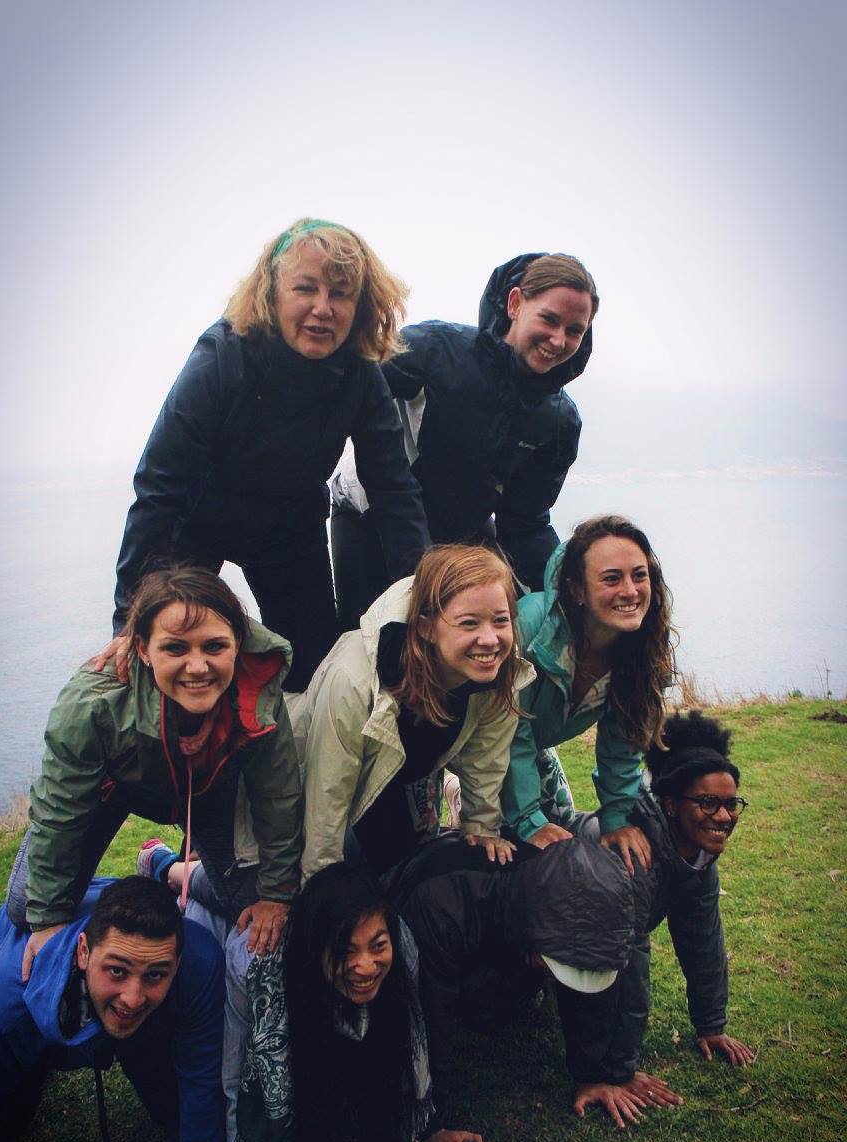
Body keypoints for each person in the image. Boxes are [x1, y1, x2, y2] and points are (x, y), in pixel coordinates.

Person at [98, 217, 429, 692]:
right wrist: (129, 618)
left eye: (340, 294)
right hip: (197, 522)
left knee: (313, 669)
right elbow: (160, 486)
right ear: (272, 294)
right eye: (305, 288)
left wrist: (423, 595)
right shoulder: (222, 356)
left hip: (288, 526)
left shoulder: (359, 374)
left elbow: (393, 488)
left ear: (360, 306)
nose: (322, 309)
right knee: (174, 653)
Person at [7, 566, 302, 979]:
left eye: (215, 646)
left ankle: (164, 866)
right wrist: (49, 920)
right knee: (27, 906)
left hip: (207, 790)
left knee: (250, 905)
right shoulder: (95, 701)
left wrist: (276, 893)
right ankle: (135, 880)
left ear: (238, 643)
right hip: (113, 788)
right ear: (143, 649)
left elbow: (278, 793)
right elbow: (60, 810)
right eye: (175, 648)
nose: (197, 667)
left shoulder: (258, 686)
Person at [223, 862, 486, 1142]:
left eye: (377, 946)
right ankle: (163, 865)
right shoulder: (252, 961)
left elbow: (409, 1044)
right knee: (206, 886)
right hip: (228, 892)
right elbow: (233, 1073)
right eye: (346, 951)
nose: (365, 966)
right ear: (316, 948)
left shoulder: (402, 943)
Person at [0, 876, 237, 1142]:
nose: (133, 998)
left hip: (143, 1023)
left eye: (156, 975)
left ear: (178, 963)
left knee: (172, 1113)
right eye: (117, 971)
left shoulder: (200, 963)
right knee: (4, 1122)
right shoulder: (2, 1008)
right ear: (84, 952)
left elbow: (202, 1078)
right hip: (27, 994)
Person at [330, 251, 597, 628]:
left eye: (575, 330)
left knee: (473, 638)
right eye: (549, 319)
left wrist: (568, 597)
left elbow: (524, 523)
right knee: (369, 636)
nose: (558, 340)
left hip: (459, 531)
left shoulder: (558, 420)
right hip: (368, 513)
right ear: (515, 303)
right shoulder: (436, 351)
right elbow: (350, 387)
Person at [290, 544, 535, 880]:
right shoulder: (355, 680)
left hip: (397, 779)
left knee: (404, 878)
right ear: (426, 627)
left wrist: (481, 826)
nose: (490, 639)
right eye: (469, 623)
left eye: (500, 620)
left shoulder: (497, 671)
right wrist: (322, 886)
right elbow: (326, 792)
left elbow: (487, 757)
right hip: (298, 794)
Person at [566, 711, 755, 1128]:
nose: (724, 817)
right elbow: (622, 963)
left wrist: (711, 1024)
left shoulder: (696, 854)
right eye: (708, 803)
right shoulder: (632, 857)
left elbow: (703, 939)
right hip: (546, 931)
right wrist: (613, 1073)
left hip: (588, 940)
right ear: (670, 803)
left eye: (731, 804)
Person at [385, 832, 638, 1127]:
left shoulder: (561, 908)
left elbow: (589, 976)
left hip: (499, 948)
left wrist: (593, 1075)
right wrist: (432, 1124)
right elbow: (429, 1014)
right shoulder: (442, 904)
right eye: (552, 963)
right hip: (415, 910)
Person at [501, 515, 675, 870]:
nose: (630, 591)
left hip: (529, 746)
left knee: (557, 833)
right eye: (612, 578)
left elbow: (623, 740)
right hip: (458, 739)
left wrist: (617, 819)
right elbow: (507, 727)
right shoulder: (530, 627)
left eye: (639, 575)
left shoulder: (643, 649)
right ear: (577, 590)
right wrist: (528, 819)